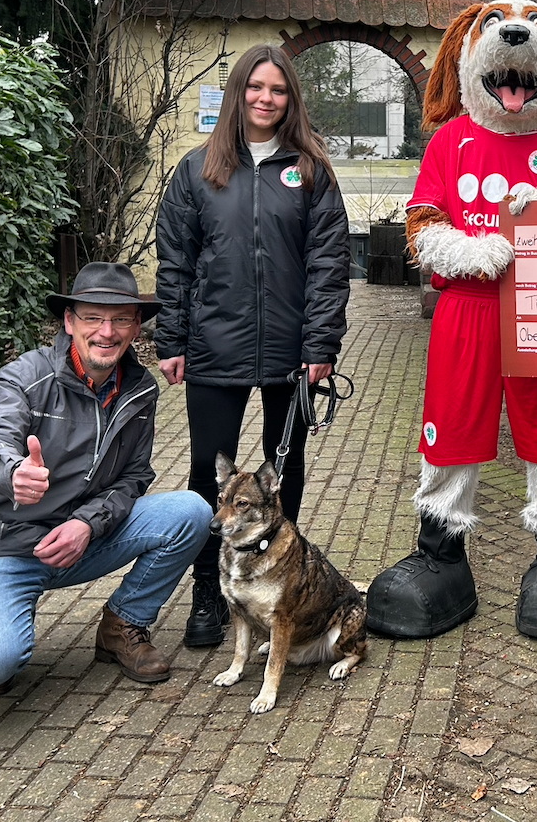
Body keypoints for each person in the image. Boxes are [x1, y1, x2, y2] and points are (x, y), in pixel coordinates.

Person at [154, 44, 350, 649]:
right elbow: (175, 262)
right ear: (239, 93)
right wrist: (172, 338)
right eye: (255, 88)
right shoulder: (197, 170)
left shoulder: (310, 170)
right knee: (205, 477)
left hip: (292, 354)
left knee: (280, 476)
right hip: (214, 347)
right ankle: (209, 595)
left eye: (279, 90)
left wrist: (321, 342)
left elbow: (329, 263)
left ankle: (275, 590)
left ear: (291, 99)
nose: (266, 99)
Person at [0, 263, 212, 694]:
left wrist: (87, 523)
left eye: (121, 319)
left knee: (191, 512)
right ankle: (2, 610)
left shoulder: (140, 390)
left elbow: (133, 476)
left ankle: (123, 625)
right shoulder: (26, 377)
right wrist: (13, 472)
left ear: (136, 328)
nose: (107, 332)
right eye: (92, 317)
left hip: (79, 538)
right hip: (1, 547)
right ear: (69, 322)